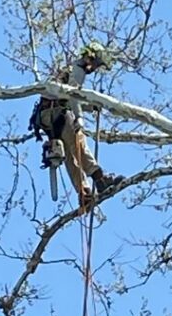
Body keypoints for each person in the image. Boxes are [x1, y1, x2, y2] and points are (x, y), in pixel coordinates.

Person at [32, 43, 124, 199]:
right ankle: (99, 178)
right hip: (58, 113)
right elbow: (73, 95)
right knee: (78, 143)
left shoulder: (68, 70)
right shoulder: (78, 69)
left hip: (46, 117)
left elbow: (69, 98)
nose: (94, 68)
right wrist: (79, 118)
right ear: (90, 58)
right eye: (96, 64)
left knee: (69, 155)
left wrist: (90, 106)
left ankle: (83, 192)